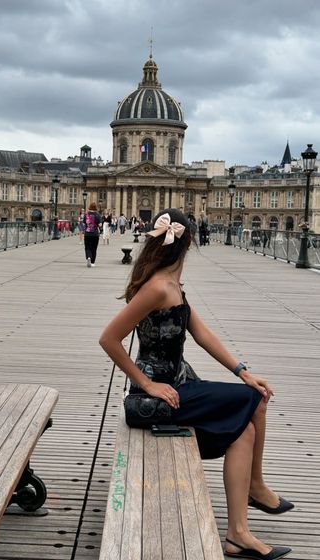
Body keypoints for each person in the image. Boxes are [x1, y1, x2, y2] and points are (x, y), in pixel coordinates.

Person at [99, 208, 293, 560]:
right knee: (255, 399)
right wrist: (147, 383)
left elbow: (200, 333)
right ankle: (256, 485)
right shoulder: (157, 287)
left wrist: (242, 370)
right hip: (159, 394)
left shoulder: (171, 284)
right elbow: (109, 339)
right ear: (188, 241)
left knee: (245, 430)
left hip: (180, 381)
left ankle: (238, 534)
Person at [83, 202, 101, 267]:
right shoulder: (98, 215)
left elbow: (84, 223)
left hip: (87, 234)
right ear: (96, 207)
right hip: (95, 234)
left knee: (87, 247)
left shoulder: (86, 215)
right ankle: (92, 262)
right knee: (94, 248)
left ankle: (88, 257)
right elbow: (100, 224)